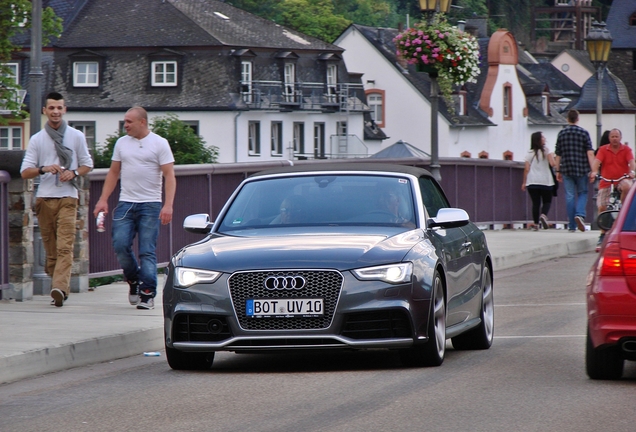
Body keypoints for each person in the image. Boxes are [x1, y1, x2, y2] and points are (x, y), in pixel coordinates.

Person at [93, 106, 176, 310]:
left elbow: (169, 175)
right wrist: (103, 199)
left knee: (147, 250)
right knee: (120, 244)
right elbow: (113, 173)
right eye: (124, 121)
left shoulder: (159, 143)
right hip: (126, 203)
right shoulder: (121, 143)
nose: (125, 125)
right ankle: (133, 280)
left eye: (129, 122)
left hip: (151, 204)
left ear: (142, 122)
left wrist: (168, 205)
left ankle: (147, 293)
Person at [20, 92, 94, 307]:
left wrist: (74, 173)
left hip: (68, 197)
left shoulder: (76, 136)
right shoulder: (37, 139)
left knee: (65, 247)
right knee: (51, 251)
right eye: (51, 108)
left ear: (65, 110)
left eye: (59, 108)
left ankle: (59, 287)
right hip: (44, 198)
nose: (55, 112)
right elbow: (25, 172)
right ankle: (59, 287)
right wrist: (44, 169)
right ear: (44, 111)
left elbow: (87, 164)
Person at [589, 128, 635, 247]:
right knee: (602, 206)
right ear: (609, 138)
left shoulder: (626, 150)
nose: (614, 139)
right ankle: (603, 233)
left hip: (622, 179)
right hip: (607, 181)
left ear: (620, 138)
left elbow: (632, 162)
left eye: (616, 136)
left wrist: (632, 172)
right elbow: (596, 162)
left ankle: (624, 207)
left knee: (626, 186)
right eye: (612, 136)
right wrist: (594, 172)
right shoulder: (603, 150)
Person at [554, 109, 595, 232]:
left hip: (566, 169)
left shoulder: (562, 133)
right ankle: (580, 214)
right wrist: (593, 170)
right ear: (577, 119)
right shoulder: (584, 133)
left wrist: (557, 170)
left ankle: (572, 225)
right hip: (582, 168)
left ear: (567, 119)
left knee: (570, 196)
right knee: (583, 193)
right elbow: (590, 153)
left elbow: (558, 154)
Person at [522, 132, 556, 231]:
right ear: (540, 140)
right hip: (546, 181)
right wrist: (553, 156)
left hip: (532, 181)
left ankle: (536, 224)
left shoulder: (529, 153)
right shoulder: (546, 151)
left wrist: (524, 182)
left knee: (535, 203)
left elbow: (526, 169)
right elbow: (553, 164)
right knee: (547, 201)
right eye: (543, 137)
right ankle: (544, 215)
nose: (545, 138)